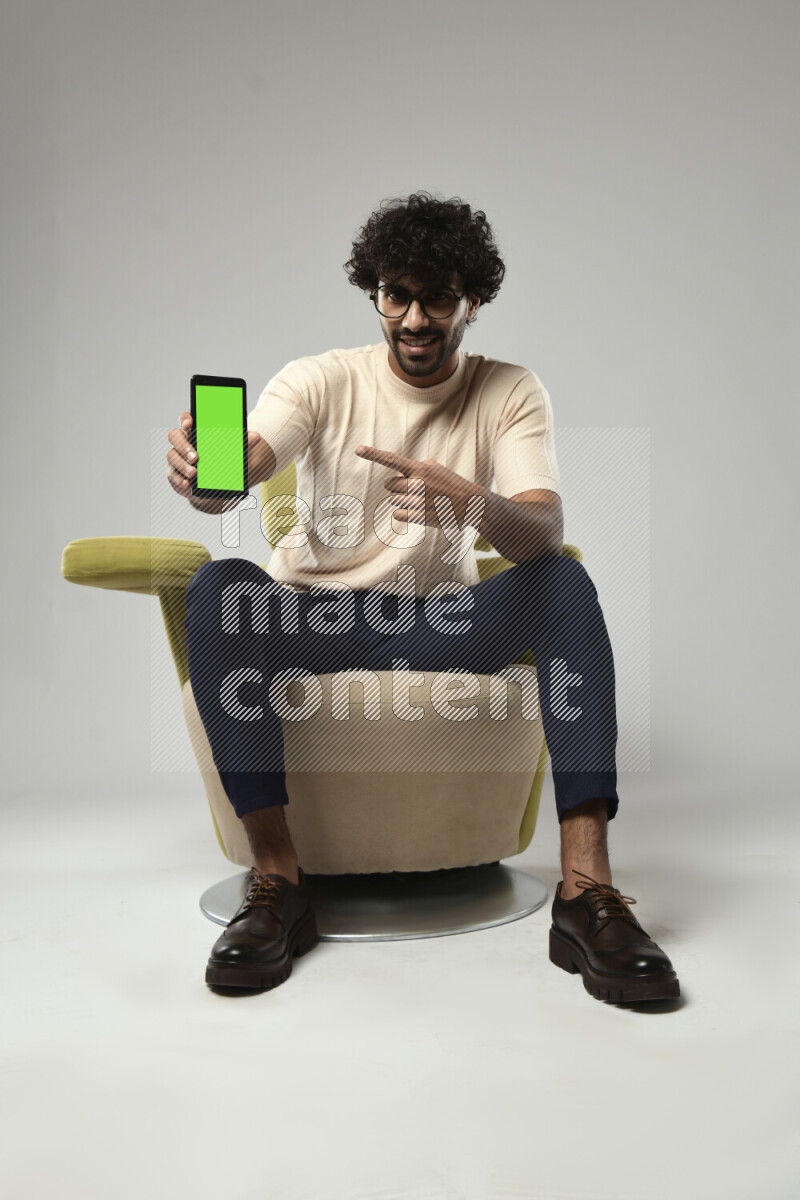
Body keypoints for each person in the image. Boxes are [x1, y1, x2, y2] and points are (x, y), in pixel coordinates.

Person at [166, 191, 680, 1005]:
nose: (413, 318)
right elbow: (253, 461)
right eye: (395, 294)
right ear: (374, 292)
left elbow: (542, 531)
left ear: (471, 300)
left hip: (439, 624)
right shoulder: (321, 378)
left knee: (564, 581)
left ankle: (587, 893)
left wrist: (471, 504)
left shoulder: (510, 391)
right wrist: (207, 477)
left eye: (436, 296)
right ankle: (278, 881)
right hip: (318, 619)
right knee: (220, 586)